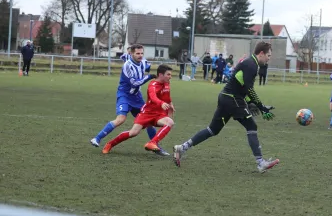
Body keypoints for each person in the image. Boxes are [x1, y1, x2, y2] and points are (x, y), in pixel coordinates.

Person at [173, 41, 279, 173]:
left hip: (228, 97)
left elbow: (241, 86)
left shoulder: (250, 63)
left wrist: (249, 103)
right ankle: (260, 163)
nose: (269, 58)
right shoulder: (252, 65)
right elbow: (249, 89)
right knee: (251, 126)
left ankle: (182, 148)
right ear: (261, 53)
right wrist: (261, 106)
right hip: (232, 99)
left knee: (213, 130)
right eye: (268, 55)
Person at [90, 44, 169, 156]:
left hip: (137, 97)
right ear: (131, 54)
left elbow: (147, 66)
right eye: (137, 53)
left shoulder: (142, 61)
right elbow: (134, 83)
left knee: (149, 121)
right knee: (121, 119)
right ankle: (97, 138)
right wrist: (148, 77)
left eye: (142, 53)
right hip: (125, 95)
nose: (140, 55)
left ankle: (155, 146)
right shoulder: (127, 66)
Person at [102, 65, 175, 154]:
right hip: (147, 113)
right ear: (160, 74)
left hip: (159, 114)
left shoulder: (167, 84)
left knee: (170, 122)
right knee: (133, 133)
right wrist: (161, 103)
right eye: (168, 74)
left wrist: (170, 104)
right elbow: (153, 97)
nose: (170, 77)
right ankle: (110, 144)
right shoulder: (153, 85)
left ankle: (152, 143)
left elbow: (167, 96)